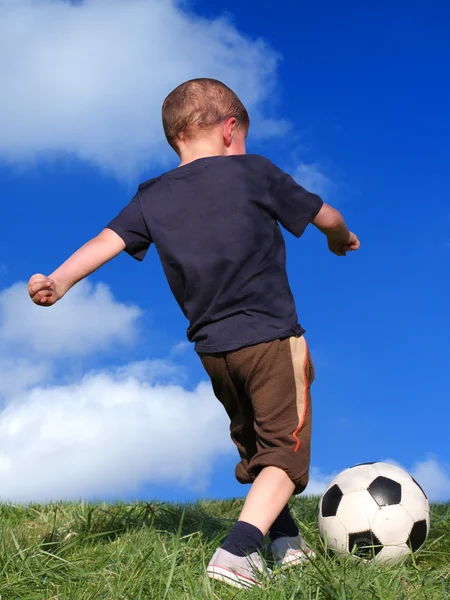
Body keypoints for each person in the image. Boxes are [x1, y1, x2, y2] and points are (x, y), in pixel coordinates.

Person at [28, 78, 360, 589]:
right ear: (231, 130)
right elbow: (327, 216)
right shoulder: (255, 171)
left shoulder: (151, 197)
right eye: (243, 137)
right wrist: (341, 238)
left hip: (213, 351)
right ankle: (237, 550)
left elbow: (105, 241)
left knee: (253, 446)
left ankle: (285, 544)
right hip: (271, 337)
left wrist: (59, 281)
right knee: (284, 456)